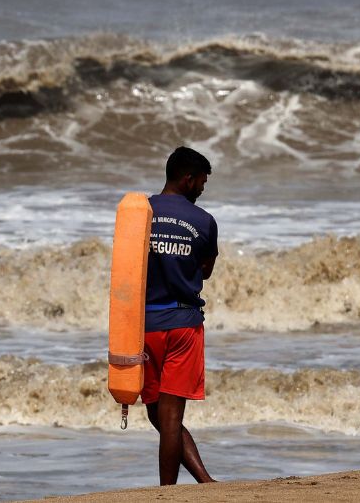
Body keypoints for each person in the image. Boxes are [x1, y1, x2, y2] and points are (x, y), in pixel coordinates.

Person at [143, 146, 218, 485]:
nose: (202, 189)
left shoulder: (139, 213)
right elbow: (205, 270)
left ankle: (201, 481)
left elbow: (127, 267)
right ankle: (169, 493)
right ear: (188, 180)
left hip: (145, 326)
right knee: (167, 416)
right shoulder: (203, 221)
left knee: (159, 413)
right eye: (201, 182)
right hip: (183, 326)